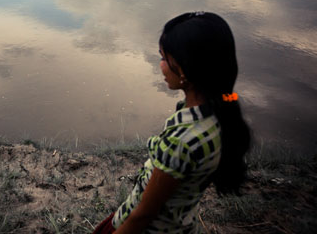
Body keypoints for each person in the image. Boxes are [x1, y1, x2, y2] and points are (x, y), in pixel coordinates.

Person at [93, 12, 251, 233]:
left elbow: (144, 215)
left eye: (164, 58)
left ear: (186, 69)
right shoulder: (219, 114)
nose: (161, 65)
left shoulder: (182, 141)